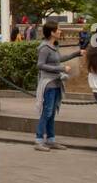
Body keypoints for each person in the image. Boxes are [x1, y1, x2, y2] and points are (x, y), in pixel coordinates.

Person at [34, 21, 79, 150]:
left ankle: (51, 139)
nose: (60, 31)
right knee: (47, 112)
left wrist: (76, 53)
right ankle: (38, 140)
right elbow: (40, 65)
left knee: (52, 112)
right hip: (48, 84)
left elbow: (60, 58)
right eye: (58, 29)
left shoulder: (54, 47)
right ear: (52, 32)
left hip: (56, 83)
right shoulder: (44, 48)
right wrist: (61, 68)